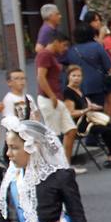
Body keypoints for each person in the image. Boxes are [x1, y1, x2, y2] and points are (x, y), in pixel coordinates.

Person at [62, 65, 111, 168]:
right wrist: (87, 110)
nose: (77, 78)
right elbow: (71, 113)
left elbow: (85, 104)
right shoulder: (68, 92)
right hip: (81, 124)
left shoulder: (79, 90)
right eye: (74, 76)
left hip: (90, 119)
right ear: (68, 77)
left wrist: (92, 106)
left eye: (79, 76)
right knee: (107, 131)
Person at [36, 31, 79, 159]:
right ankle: (56, 164)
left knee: (71, 129)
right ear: (56, 42)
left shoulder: (52, 56)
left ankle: (66, 163)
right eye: (64, 45)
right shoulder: (44, 55)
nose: (65, 49)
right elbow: (41, 77)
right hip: (49, 98)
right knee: (54, 134)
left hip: (56, 97)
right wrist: (51, 95)